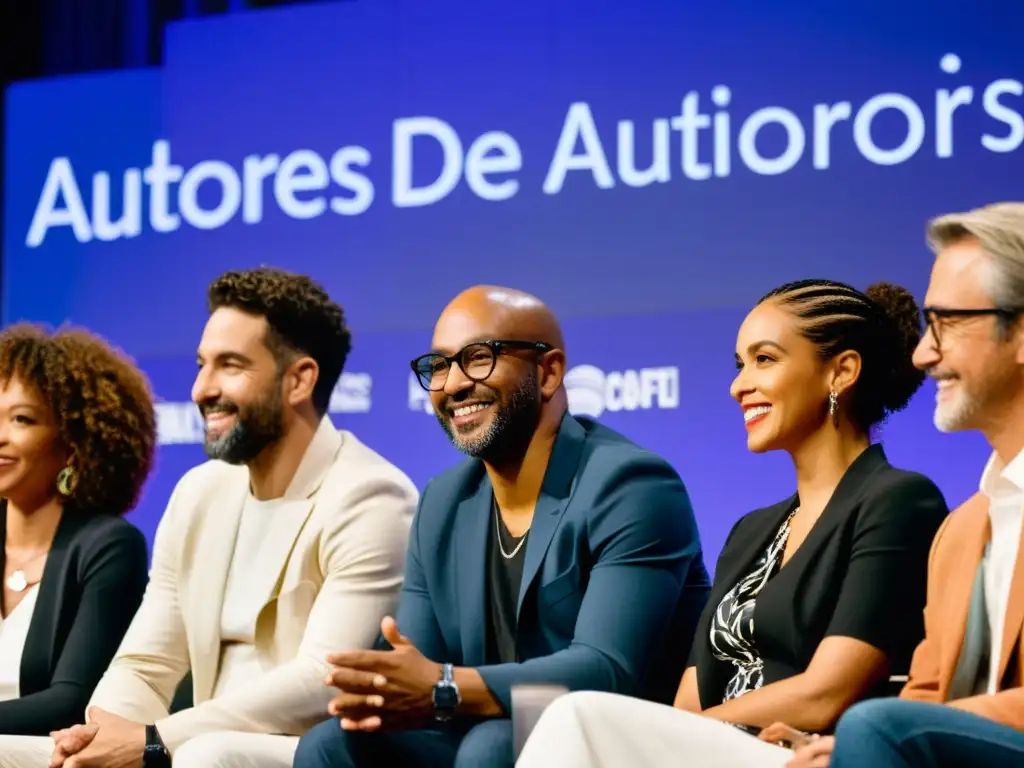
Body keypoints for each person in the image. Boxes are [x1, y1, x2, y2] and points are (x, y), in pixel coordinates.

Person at [515, 279, 951, 767]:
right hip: (715, 748)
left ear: (841, 372)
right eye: (740, 364)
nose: (739, 385)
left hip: (805, 752)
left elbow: (828, 691)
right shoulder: (751, 530)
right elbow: (690, 698)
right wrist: (676, 733)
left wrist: (680, 733)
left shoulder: (897, 501)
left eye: (764, 360)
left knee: (578, 717)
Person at [0, 268, 418, 768]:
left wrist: (154, 739)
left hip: (298, 748)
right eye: (202, 365)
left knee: (208, 755)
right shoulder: (199, 492)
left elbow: (318, 680)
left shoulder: (372, 496)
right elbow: (147, 662)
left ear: (299, 380)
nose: (201, 388)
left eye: (230, 366)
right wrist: (102, 735)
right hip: (184, 743)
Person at [293, 285, 710, 768]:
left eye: (478, 358)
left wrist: (444, 686)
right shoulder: (443, 502)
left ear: (548, 372)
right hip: (487, 731)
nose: (452, 384)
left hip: (616, 738)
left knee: (491, 745)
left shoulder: (631, 485)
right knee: (330, 744)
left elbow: (607, 668)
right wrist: (385, 685)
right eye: (440, 365)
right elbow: (420, 665)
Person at [786, 204, 1024, 767]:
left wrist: (895, 732)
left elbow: (916, 721)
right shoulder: (963, 531)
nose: (923, 353)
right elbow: (927, 696)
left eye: (947, 322)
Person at [0, 324, 153, 737]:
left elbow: (70, 702)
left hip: (47, 752)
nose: (0, 436)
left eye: (21, 419)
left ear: (73, 442)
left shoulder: (109, 547)